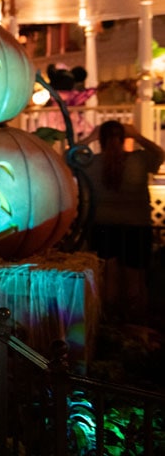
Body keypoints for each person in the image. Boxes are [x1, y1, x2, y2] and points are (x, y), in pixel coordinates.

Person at [84, 121, 164, 323]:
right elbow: (160, 154)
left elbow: (68, 158)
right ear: (124, 138)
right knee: (135, 278)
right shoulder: (140, 160)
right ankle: (134, 324)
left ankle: (110, 322)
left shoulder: (91, 163)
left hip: (103, 225)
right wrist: (137, 136)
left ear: (100, 140)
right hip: (137, 226)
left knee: (107, 276)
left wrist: (90, 137)